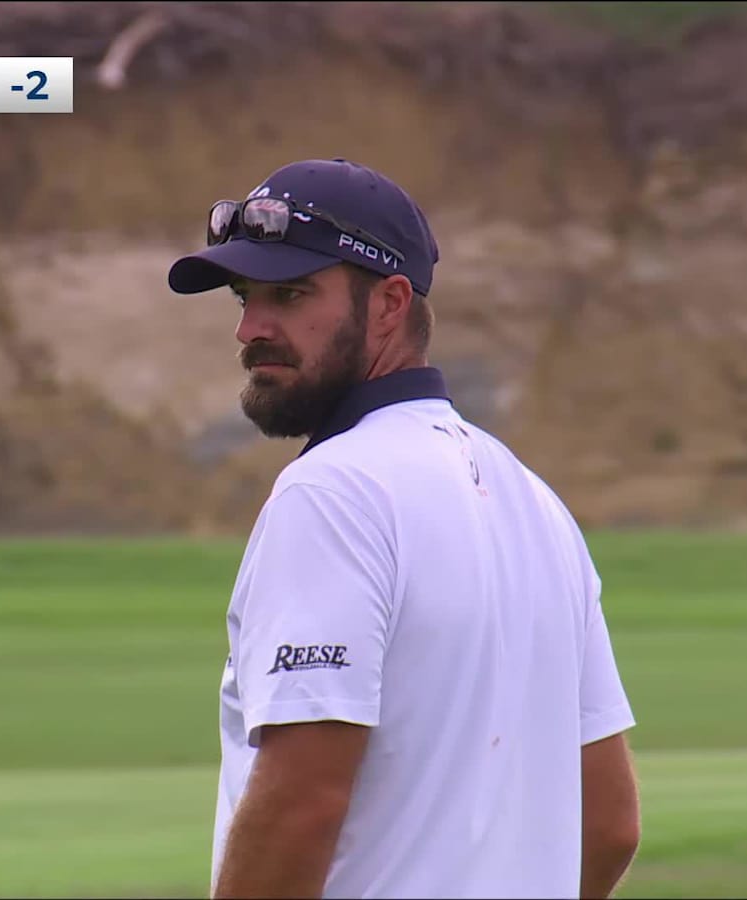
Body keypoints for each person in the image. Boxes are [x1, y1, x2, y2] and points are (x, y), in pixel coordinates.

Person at [167, 158, 641, 899]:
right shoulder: (534, 500)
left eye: (290, 294)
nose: (250, 328)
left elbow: (303, 805)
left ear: (389, 304)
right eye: (244, 295)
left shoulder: (332, 492)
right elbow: (609, 824)